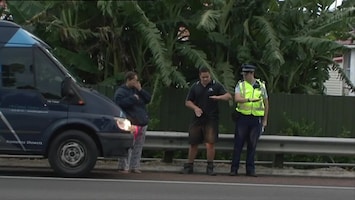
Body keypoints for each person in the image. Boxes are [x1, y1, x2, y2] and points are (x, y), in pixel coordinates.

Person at [181, 67, 232, 176]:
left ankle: (210, 166)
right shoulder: (195, 86)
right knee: (193, 143)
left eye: (207, 77)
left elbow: (228, 96)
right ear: (200, 76)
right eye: (203, 77)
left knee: (210, 143)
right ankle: (189, 165)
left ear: (210, 75)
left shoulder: (216, 85)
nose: (205, 79)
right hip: (197, 119)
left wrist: (218, 98)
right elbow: (188, 101)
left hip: (211, 119)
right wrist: (195, 108)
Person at [230, 64, 269, 177]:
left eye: (246, 74)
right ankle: (234, 168)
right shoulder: (241, 85)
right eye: (243, 74)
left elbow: (266, 103)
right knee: (238, 144)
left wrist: (265, 120)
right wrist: (249, 99)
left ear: (251, 74)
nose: (244, 76)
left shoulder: (261, 85)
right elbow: (237, 98)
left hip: (256, 118)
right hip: (243, 117)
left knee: (252, 145)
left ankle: (250, 169)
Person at [114, 71, 151, 173]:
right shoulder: (121, 92)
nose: (136, 82)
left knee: (138, 146)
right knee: (128, 145)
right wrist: (133, 99)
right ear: (128, 80)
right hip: (130, 122)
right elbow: (119, 103)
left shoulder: (137, 91)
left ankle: (134, 166)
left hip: (141, 121)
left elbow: (148, 99)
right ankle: (123, 166)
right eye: (134, 80)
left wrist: (140, 90)